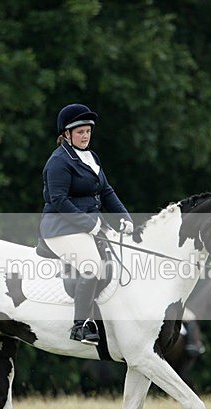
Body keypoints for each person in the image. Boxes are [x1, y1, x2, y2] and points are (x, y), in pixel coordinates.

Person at [40, 103, 134, 345]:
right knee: (92, 265)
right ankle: (80, 326)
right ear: (67, 134)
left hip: (87, 225)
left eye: (88, 132)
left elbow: (106, 191)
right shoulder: (58, 162)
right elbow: (59, 201)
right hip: (60, 228)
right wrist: (90, 225)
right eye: (80, 132)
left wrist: (124, 217)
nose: (85, 136)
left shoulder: (91, 157)